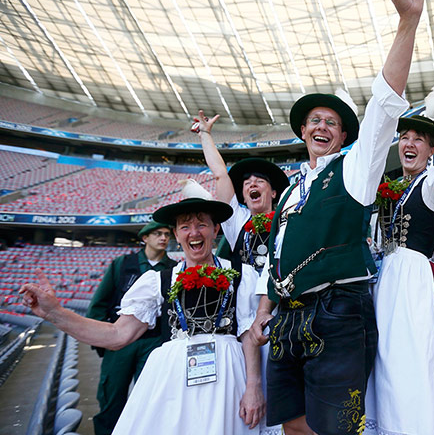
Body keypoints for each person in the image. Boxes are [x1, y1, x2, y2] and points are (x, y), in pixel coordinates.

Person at [248, 0, 425, 435]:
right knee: (293, 426)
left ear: (344, 135)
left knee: (338, 430)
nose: (322, 126)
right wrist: (265, 310)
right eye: (314, 121)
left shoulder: (355, 169)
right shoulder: (286, 192)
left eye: (332, 122)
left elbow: (385, 107)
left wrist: (407, 21)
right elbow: (275, 259)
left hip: (338, 311)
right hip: (286, 317)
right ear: (303, 132)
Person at [20, 186, 265, 434]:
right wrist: (56, 314)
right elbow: (117, 336)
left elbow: (249, 335)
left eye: (202, 224)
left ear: (216, 230)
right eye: (184, 226)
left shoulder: (241, 275)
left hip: (229, 377)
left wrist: (254, 386)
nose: (194, 232)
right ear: (176, 235)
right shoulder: (157, 280)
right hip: (174, 380)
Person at [364, 85, 434, 435]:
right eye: (404, 137)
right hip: (385, 281)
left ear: (432, 149)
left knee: (412, 360)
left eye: (418, 139)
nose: (409, 144)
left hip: (415, 280)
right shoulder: (392, 185)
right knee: (386, 359)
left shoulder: (431, 181)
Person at [194, 113, 289, 435]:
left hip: (282, 308)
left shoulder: (290, 220)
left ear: (274, 193)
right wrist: (206, 135)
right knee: (249, 381)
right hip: (245, 313)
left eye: (259, 181)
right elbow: (220, 177)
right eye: (247, 182)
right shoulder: (237, 224)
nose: (251, 184)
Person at [86, 220, 176, 435]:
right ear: (145, 238)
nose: (163, 238)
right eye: (157, 234)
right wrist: (101, 341)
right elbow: (99, 303)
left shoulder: (174, 268)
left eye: (166, 234)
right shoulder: (121, 264)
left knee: (150, 398)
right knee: (111, 397)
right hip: (121, 340)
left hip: (155, 341)